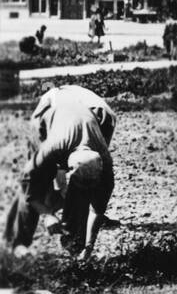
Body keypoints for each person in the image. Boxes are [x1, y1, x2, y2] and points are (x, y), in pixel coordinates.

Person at [3, 86, 116, 259]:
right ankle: (18, 243)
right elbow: (28, 182)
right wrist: (47, 214)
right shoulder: (51, 147)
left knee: (82, 190)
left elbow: (97, 211)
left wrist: (88, 248)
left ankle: (74, 242)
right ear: (69, 166)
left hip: (89, 108)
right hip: (51, 107)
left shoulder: (105, 163)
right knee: (39, 181)